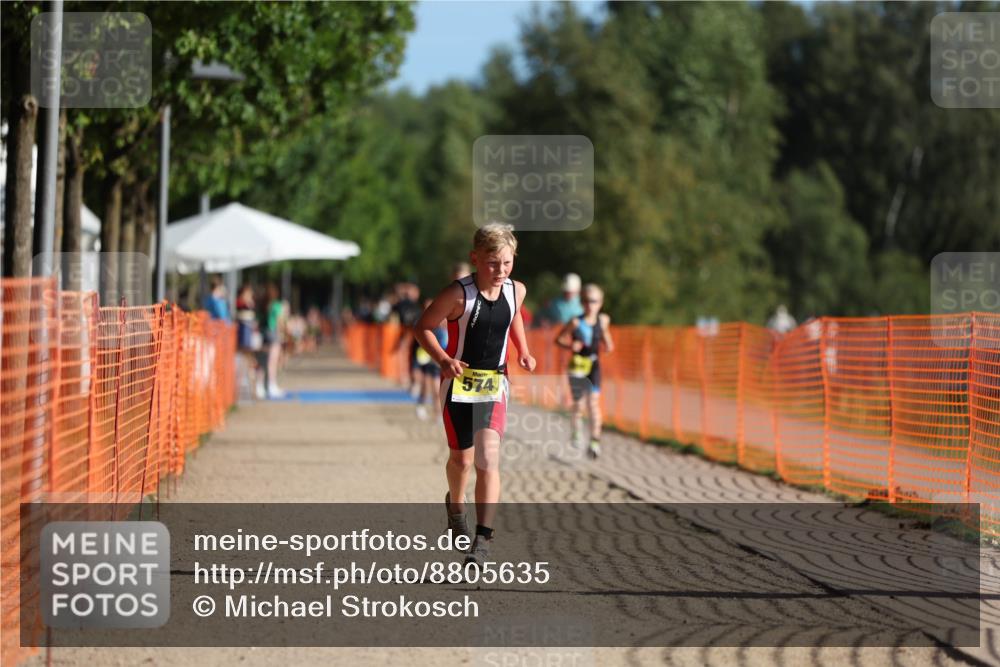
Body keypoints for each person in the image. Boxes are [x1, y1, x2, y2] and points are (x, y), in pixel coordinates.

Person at [414, 223, 536, 568]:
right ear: (476, 259)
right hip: (458, 384)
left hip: (495, 384)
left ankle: (482, 541)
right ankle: (455, 505)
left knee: (488, 458)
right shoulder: (458, 294)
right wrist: (444, 359)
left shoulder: (517, 291)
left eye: (507, 263)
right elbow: (422, 327)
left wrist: (523, 350)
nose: (501, 271)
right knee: (462, 461)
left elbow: (513, 320)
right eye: (493, 263)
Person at [555, 283, 615, 459]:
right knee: (579, 404)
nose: (591, 305)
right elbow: (558, 339)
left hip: (594, 365)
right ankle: (576, 432)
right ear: (582, 302)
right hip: (577, 365)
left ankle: (595, 442)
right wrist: (570, 344)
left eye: (594, 301)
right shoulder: (575, 322)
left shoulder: (603, 320)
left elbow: (606, 338)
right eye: (587, 301)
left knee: (593, 404)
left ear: (601, 303)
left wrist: (609, 344)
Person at [414, 298, 448, 421]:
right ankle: (421, 405)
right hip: (428, 359)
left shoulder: (446, 322)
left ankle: (438, 414)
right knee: (427, 386)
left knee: (436, 389)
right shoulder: (424, 324)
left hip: (443, 362)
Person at [259, 283, 286, 399]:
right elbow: (280, 321)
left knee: (262, 362)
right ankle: (272, 385)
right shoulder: (277, 305)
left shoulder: (263, 304)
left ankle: (260, 386)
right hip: (274, 333)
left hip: (264, 333)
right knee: (273, 362)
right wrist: (284, 333)